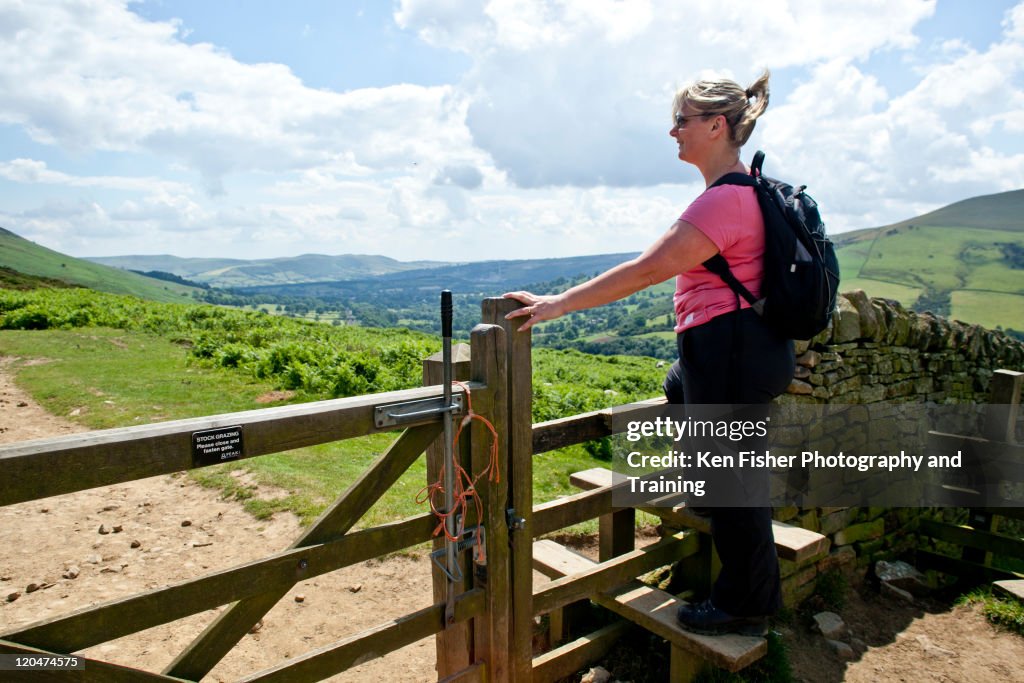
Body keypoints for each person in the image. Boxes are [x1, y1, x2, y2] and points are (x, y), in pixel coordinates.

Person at [503, 69, 793, 637]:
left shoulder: (723, 202)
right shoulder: (744, 191)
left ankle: (746, 603)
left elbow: (647, 270)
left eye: (681, 121)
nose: (673, 132)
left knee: (737, 484)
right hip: (736, 350)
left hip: (730, 350)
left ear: (715, 125)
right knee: (679, 386)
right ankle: (712, 496)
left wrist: (556, 305)